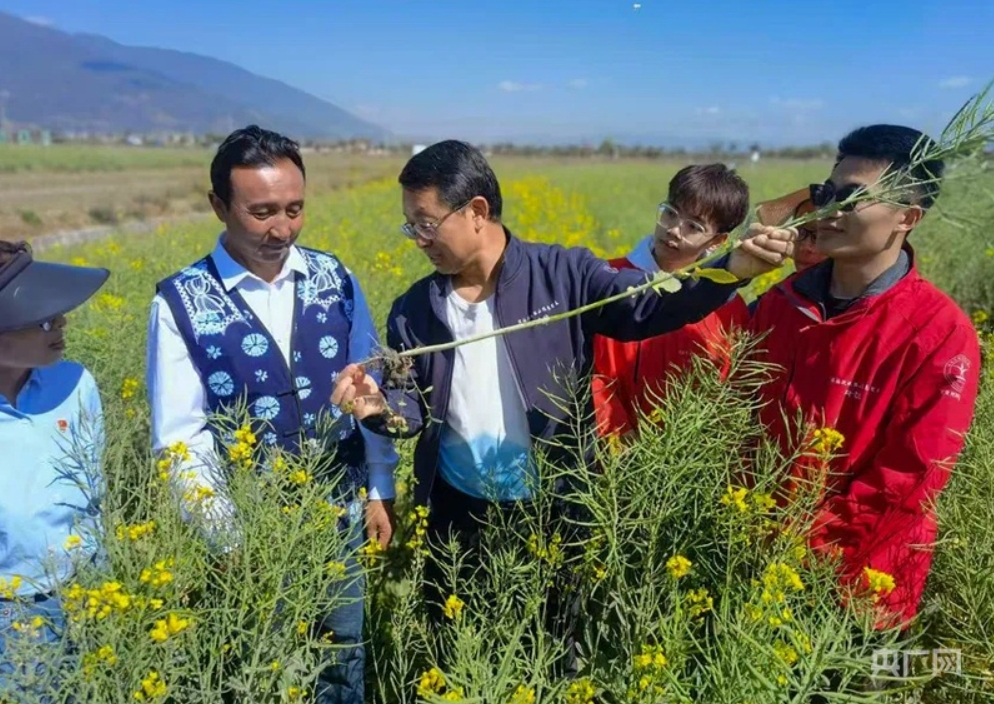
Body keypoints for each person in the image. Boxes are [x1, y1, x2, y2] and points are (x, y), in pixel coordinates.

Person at [329, 140, 793, 640]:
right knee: (457, 642)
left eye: (426, 223)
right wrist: (378, 409)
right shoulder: (414, 307)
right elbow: (409, 406)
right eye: (410, 226)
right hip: (458, 513)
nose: (418, 239)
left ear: (477, 212)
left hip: (553, 507)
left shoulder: (563, 275)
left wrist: (732, 273)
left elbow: (649, 309)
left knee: (551, 645)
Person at [146, 125, 398, 703]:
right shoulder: (181, 302)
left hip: (339, 520)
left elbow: (369, 390)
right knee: (266, 674)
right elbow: (180, 439)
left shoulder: (335, 279)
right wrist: (229, 543)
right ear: (219, 206)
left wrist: (380, 485)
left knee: (341, 666)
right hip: (247, 533)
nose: (280, 229)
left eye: (294, 209)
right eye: (261, 212)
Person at [748, 124, 981, 629]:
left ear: (907, 217)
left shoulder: (940, 333)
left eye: (852, 198)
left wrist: (802, 548)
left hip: (858, 587)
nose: (829, 210)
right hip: (750, 562)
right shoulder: (780, 302)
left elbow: (908, 479)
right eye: (827, 194)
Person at [0, 240, 108, 696]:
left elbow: (94, 492)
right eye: (44, 318)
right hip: (11, 614)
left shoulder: (74, 383)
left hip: (88, 595)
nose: (60, 324)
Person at [590, 164, 751, 437]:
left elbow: (730, 388)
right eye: (670, 213)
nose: (675, 230)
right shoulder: (607, 279)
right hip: (609, 451)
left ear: (718, 240)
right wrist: (618, 435)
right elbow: (588, 373)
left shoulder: (728, 307)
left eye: (694, 226)